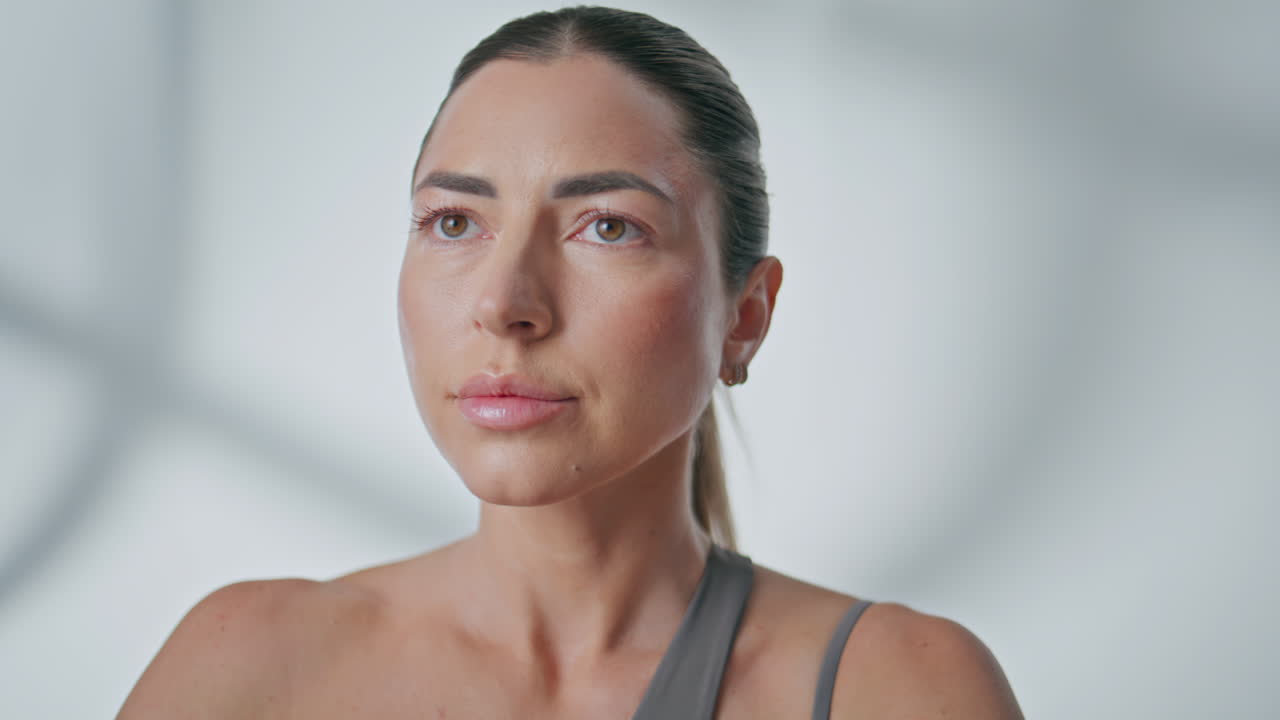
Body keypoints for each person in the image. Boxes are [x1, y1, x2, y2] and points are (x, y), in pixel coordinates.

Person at [118, 6, 1023, 718]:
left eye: (609, 227)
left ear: (745, 316)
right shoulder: (243, 667)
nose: (505, 303)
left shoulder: (900, 690)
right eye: (455, 222)